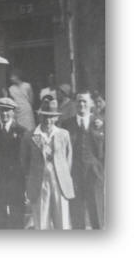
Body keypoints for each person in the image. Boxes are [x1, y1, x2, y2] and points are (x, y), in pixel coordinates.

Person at [21, 98, 75, 230]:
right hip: (39, 184)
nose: (48, 120)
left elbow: (68, 158)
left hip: (60, 184)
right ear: (39, 116)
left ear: (56, 117)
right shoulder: (30, 135)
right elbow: (24, 161)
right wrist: (32, 178)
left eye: (51, 117)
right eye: (45, 116)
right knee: (41, 223)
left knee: (62, 223)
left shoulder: (63, 134)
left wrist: (63, 176)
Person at [62, 92, 105, 229]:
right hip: (74, 176)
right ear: (75, 104)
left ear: (91, 103)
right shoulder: (66, 124)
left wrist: (101, 171)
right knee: (76, 215)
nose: (81, 104)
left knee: (97, 215)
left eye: (85, 101)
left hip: (95, 175)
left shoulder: (101, 123)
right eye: (79, 101)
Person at [0, 97, 27, 229]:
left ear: (13, 112)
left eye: (7, 111)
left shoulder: (22, 132)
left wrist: (24, 183)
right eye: (2, 111)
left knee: (17, 216)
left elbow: (25, 160)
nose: (4, 114)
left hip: (16, 182)